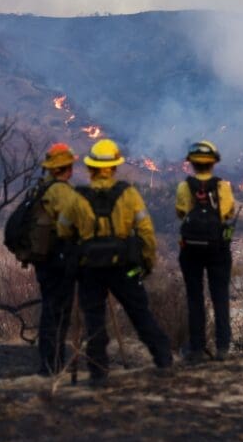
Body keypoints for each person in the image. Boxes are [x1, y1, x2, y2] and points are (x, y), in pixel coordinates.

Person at [57, 139, 172, 385]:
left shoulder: (78, 198)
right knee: (141, 315)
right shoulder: (128, 194)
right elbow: (146, 232)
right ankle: (164, 361)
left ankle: (98, 375)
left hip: (90, 269)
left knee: (94, 321)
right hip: (124, 268)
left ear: (91, 168)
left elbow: (63, 231)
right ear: (115, 167)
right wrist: (147, 263)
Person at [34, 143, 93, 376]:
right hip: (60, 260)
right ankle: (53, 366)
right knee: (59, 314)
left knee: (49, 310)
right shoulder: (64, 193)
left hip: (43, 260)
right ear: (67, 168)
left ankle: (49, 363)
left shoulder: (42, 189)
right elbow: (83, 224)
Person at [175, 140, 237, 362]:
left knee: (195, 297)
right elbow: (228, 213)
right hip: (218, 250)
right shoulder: (223, 187)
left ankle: (197, 349)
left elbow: (181, 212)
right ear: (213, 163)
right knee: (220, 297)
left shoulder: (184, 187)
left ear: (191, 164)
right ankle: (222, 348)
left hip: (190, 250)